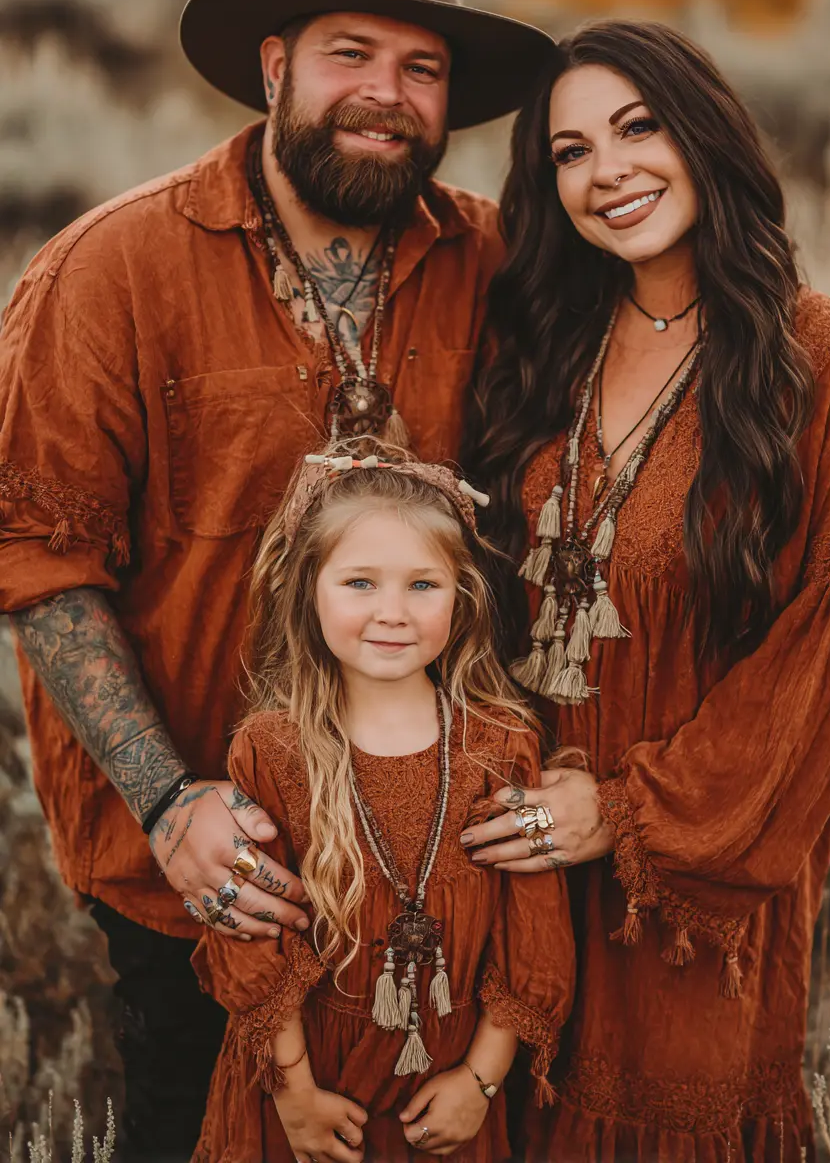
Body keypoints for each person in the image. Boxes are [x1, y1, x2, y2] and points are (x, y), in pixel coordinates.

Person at [0, 0, 555, 1160]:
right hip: (210, 868)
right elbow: (40, 559)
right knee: (189, 1125)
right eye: (349, 53)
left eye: (421, 68)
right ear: (273, 66)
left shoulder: (497, 263)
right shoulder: (111, 270)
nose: (386, 95)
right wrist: (168, 800)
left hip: (436, 867)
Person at [459, 20, 830, 1161]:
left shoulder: (821, 364)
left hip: (693, 888)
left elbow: (821, 661)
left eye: (636, 128)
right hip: (512, 860)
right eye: (567, 152)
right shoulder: (538, 345)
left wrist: (621, 811)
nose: (607, 172)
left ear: (702, 133)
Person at [190, 441, 574, 1163]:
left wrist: (482, 1083)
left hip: (447, 1085)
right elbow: (254, 941)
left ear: (462, 598)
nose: (392, 613)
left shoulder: (501, 745)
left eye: (422, 586)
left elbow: (533, 939)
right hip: (304, 1084)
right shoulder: (272, 750)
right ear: (311, 587)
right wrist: (294, 1093)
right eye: (360, 583)